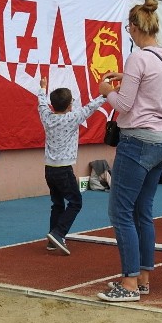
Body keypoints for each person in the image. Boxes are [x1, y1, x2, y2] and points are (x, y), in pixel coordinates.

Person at [95, 0, 162, 301]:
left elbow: (125, 104)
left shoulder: (137, 58)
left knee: (120, 211)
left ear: (133, 27)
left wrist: (107, 92)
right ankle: (142, 276)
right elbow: (149, 88)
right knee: (144, 211)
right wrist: (125, 78)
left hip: (138, 141)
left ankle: (129, 283)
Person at [37, 76, 106, 256]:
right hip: (64, 169)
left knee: (57, 204)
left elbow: (41, 103)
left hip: (49, 168)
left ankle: (53, 240)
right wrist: (107, 95)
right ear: (69, 106)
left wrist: (42, 88)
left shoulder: (46, 116)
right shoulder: (73, 117)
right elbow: (92, 107)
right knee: (76, 202)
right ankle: (59, 233)